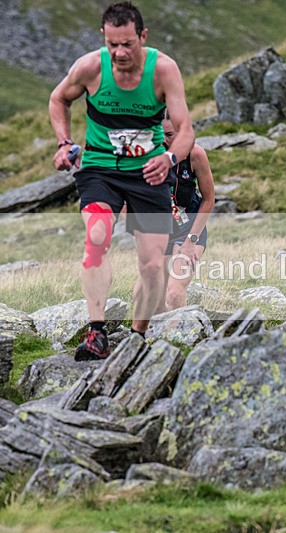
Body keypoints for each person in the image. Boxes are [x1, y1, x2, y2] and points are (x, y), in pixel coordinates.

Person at [49, 2, 194, 360]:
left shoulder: (163, 70)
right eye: (113, 43)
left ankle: (137, 336)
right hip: (100, 168)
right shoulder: (90, 67)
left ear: (143, 37)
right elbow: (58, 99)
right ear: (104, 38)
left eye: (127, 43)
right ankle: (96, 333)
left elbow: (187, 130)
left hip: (149, 172)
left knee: (151, 264)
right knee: (96, 236)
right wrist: (64, 142)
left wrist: (169, 157)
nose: (120, 52)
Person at [157, 111, 215, 312]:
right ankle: (162, 340)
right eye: (160, 133)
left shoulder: (196, 154)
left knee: (174, 292)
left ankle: (182, 337)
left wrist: (191, 241)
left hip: (189, 228)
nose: (165, 140)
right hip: (160, 230)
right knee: (157, 301)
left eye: (170, 135)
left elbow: (209, 199)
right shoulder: (150, 153)